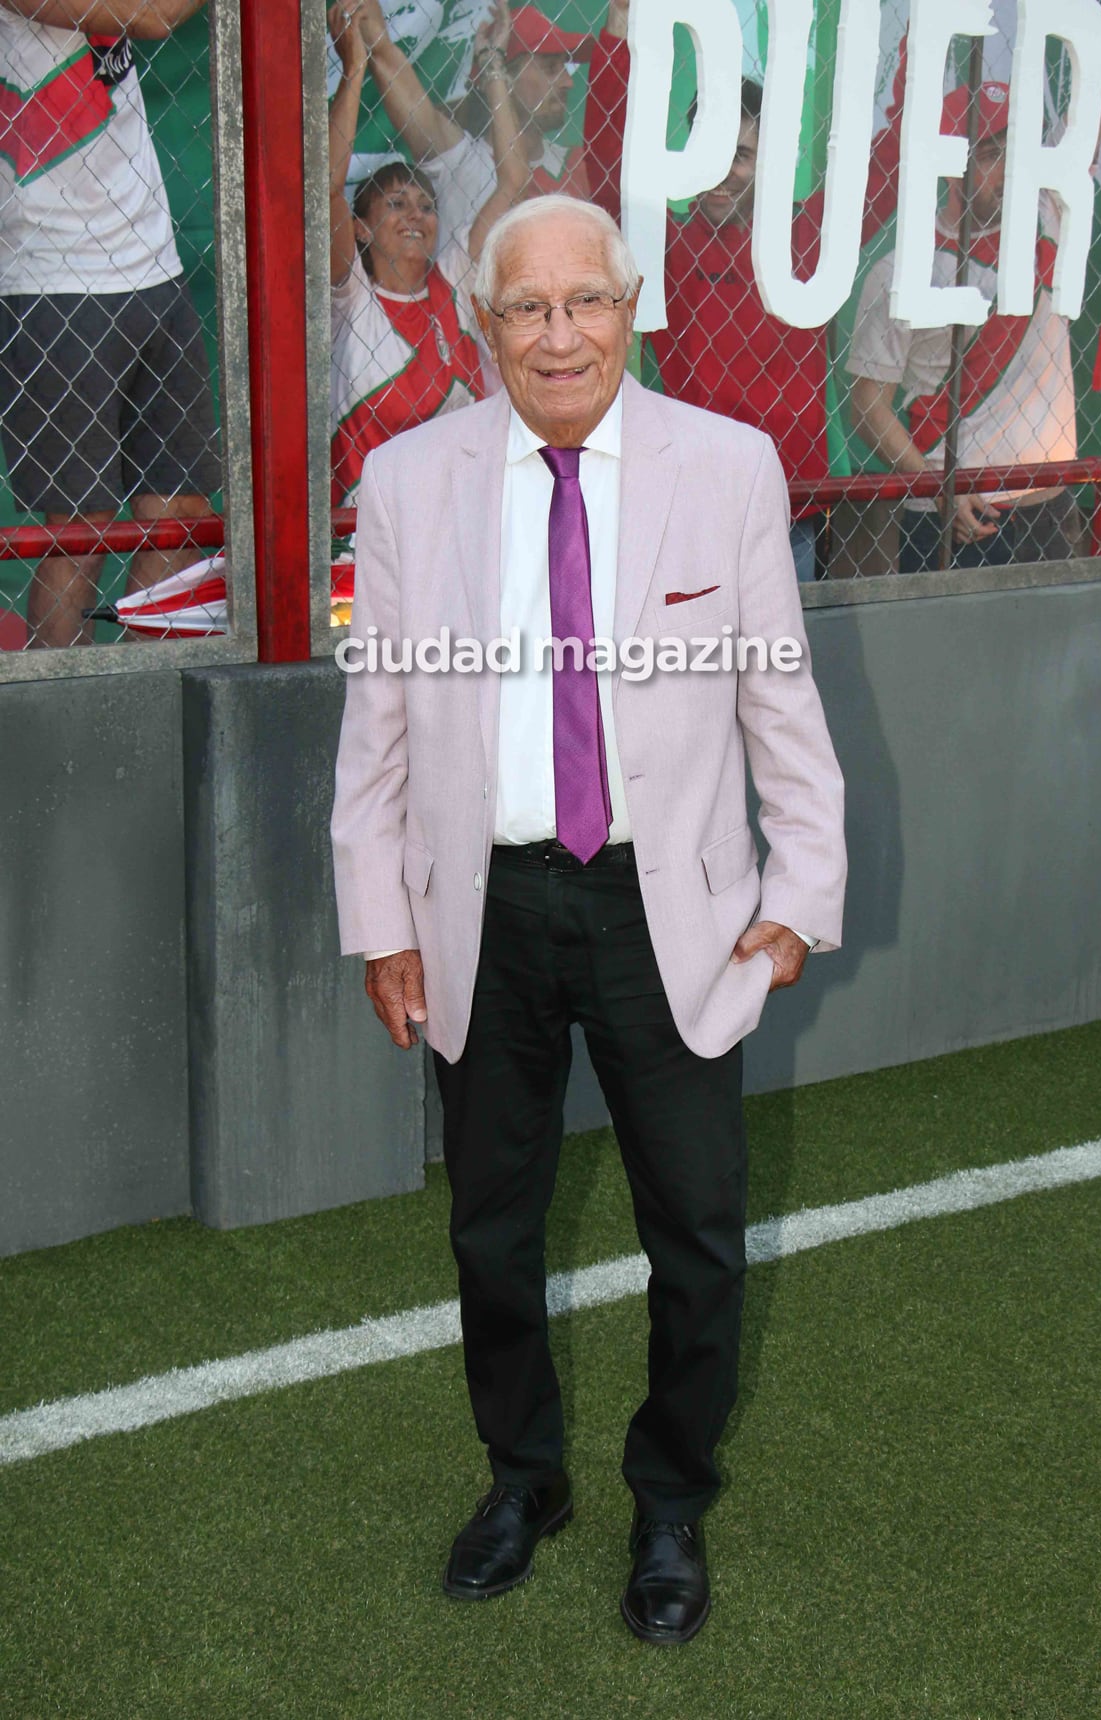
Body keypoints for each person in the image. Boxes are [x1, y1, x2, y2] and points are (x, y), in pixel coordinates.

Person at [330, 194, 847, 1644]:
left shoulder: (727, 467)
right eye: (524, 308)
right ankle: (522, 1479)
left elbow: (778, 705)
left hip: (663, 914)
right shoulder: (407, 480)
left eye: (585, 302)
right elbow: (372, 731)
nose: (557, 335)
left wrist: (796, 901)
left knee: (696, 1233)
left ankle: (669, 1500)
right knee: (489, 1233)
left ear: (631, 309)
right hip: (478, 909)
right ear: (484, 322)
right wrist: (381, 920)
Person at [582, 0, 903, 583]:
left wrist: (916, 44)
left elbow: (886, 162)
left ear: (770, 162)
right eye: (712, 152)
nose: (724, 172)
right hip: (689, 507)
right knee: (692, 670)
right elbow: (607, 167)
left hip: (790, 509)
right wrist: (618, 30)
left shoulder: (808, 236)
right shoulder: (665, 243)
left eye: (743, 156)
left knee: (779, 667)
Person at [0, 0, 219, 648]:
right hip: (54, 277)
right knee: (81, 529)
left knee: (180, 518)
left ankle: (133, 709)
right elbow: (149, 15)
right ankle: (62, 719)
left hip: (152, 259)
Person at [848, 83, 1082, 573]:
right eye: (993, 153)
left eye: (1018, 152)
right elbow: (868, 407)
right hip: (953, 512)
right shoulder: (902, 269)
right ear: (952, 162)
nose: (1011, 171)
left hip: (1051, 505)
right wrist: (940, 490)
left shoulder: (1050, 220)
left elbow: (1100, 98)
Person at [328, 1, 523, 505]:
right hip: (362, 537)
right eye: (395, 204)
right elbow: (325, 188)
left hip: (457, 526)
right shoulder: (351, 298)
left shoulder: (453, 278)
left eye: (426, 205)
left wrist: (494, 62)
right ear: (361, 230)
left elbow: (512, 180)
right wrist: (353, 72)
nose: (415, 215)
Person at [349, 0, 600, 266]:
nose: (568, 81)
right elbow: (384, 55)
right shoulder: (457, 158)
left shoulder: (578, 165)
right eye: (551, 67)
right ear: (504, 77)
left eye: (565, 67)